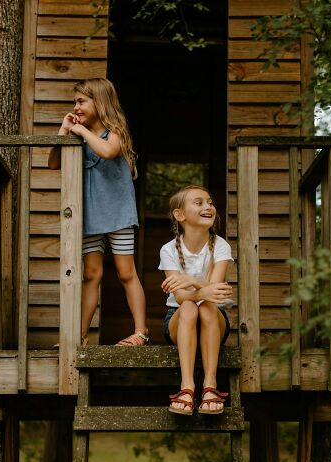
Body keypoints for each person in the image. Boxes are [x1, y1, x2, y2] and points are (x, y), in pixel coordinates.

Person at [49, 78, 147, 346]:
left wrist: (82, 133)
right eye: (75, 102)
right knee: (91, 275)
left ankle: (140, 332)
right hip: (90, 217)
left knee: (126, 273)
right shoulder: (78, 135)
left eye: (81, 101)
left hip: (118, 215)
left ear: (100, 102)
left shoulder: (114, 131)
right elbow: (53, 163)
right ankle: (80, 336)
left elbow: (107, 151)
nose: (76, 107)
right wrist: (64, 130)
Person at [158, 185, 234, 415]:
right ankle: (187, 386)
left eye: (210, 202)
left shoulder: (220, 246)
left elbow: (218, 292)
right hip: (179, 318)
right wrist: (202, 291)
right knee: (190, 307)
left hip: (214, 319)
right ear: (179, 215)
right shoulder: (168, 249)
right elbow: (180, 298)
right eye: (199, 203)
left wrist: (190, 279)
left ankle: (210, 385)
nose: (208, 207)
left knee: (208, 308)